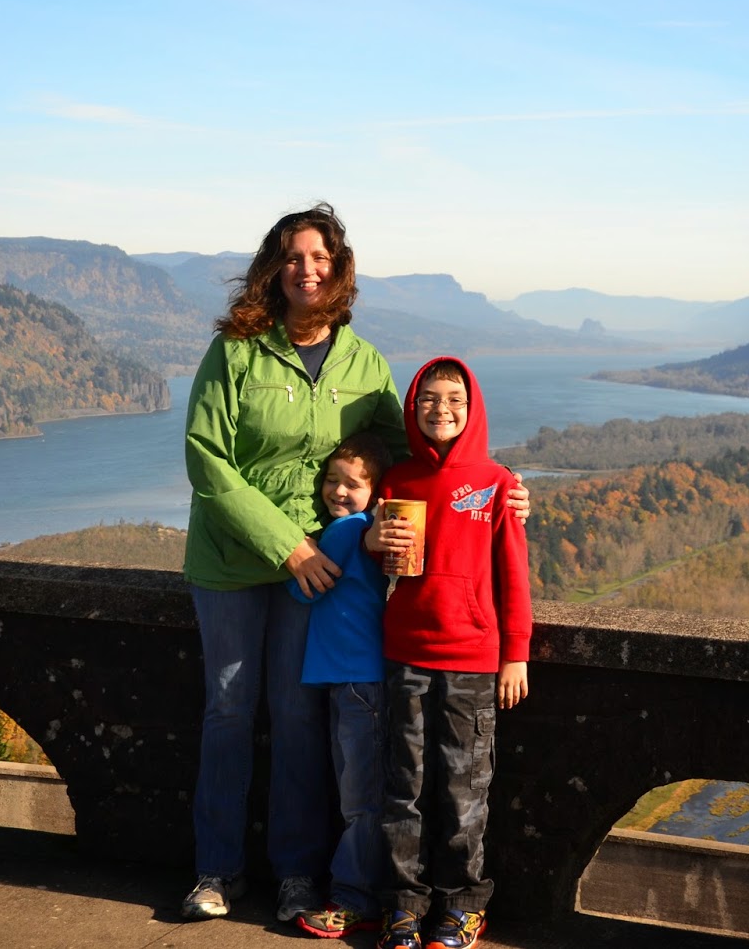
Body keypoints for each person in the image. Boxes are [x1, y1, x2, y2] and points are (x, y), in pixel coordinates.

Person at [179, 203, 529, 926]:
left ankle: (297, 876)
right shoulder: (237, 352)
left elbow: (409, 459)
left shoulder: (364, 363)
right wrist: (288, 545)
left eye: (319, 257)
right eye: (292, 257)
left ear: (338, 269)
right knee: (229, 712)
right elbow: (206, 458)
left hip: (324, 571)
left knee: (298, 720)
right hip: (238, 563)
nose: (305, 270)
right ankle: (216, 870)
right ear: (272, 269)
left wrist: (496, 492)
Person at [373, 357, 532, 949]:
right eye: (429, 398)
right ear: (413, 406)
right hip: (406, 652)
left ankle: (462, 904)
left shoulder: (498, 483)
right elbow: (379, 565)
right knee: (404, 787)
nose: (441, 409)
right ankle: (404, 905)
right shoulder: (397, 481)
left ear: (473, 408)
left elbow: (513, 575)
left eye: (454, 399)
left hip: (472, 657)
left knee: (464, 788)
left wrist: (515, 653)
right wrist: (371, 540)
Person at [286, 432, 395, 939]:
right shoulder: (360, 528)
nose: (339, 491)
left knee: (360, 798)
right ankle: (358, 893)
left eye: (353, 483)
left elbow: (304, 589)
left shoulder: (348, 530)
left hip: (355, 679)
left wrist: (299, 547)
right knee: (360, 792)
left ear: (375, 493)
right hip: (354, 676)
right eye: (332, 479)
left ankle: (355, 898)